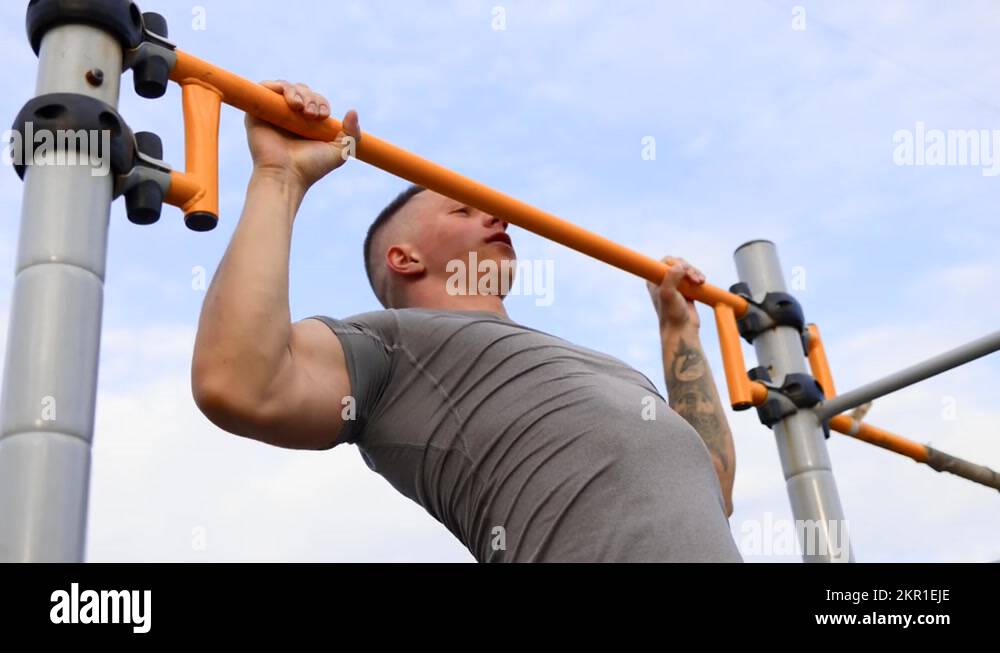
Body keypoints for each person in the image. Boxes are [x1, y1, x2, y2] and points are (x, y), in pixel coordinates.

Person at [192, 80, 742, 562]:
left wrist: (679, 332)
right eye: (462, 209)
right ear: (404, 257)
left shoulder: (606, 371)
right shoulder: (391, 345)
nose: (496, 215)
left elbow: (712, 488)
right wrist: (279, 176)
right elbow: (237, 382)